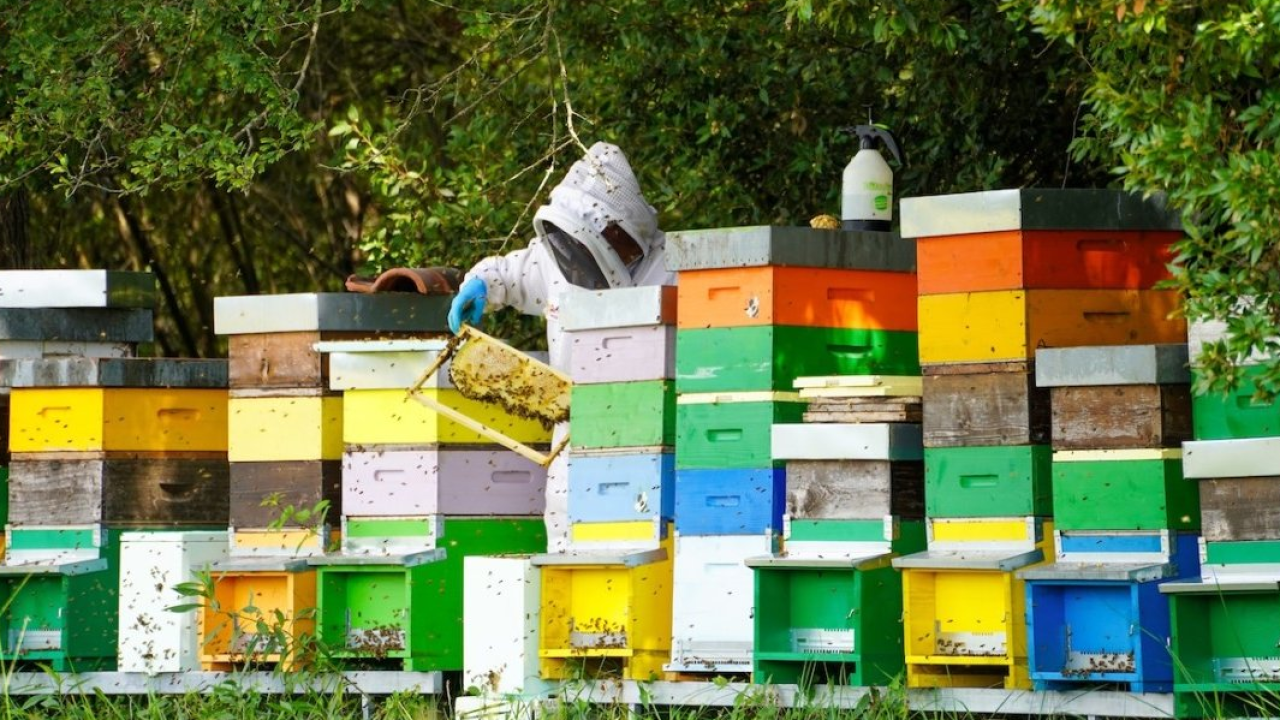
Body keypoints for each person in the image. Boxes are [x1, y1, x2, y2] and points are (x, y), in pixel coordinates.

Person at [448, 141, 674, 552]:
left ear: (618, 230)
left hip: (651, 439)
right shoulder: (555, 262)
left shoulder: (673, 268)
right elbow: (510, 273)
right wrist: (480, 284)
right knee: (568, 571)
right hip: (574, 437)